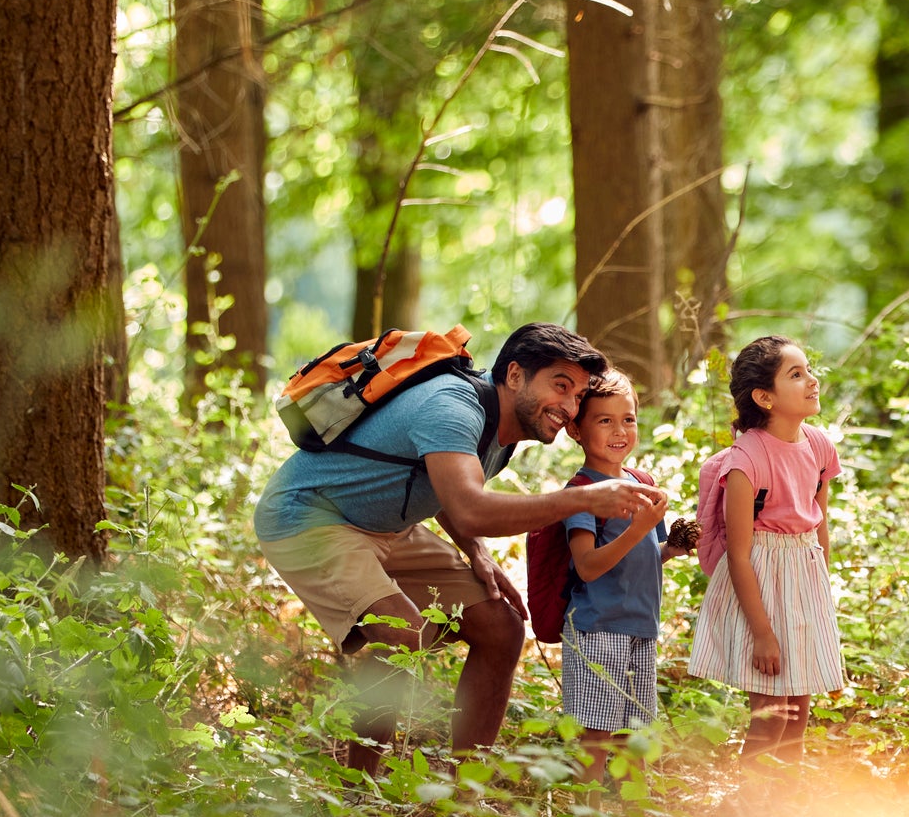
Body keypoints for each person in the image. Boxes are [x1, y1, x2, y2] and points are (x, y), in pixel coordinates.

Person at [254, 322, 668, 772]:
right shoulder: (453, 408)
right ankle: (358, 787)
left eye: (578, 396)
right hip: (309, 517)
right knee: (404, 633)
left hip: (388, 526)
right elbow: (470, 508)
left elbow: (445, 490)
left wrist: (476, 553)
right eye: (560, 387)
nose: (569, 407)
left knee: (502, 628)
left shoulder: (506, 430)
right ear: (514, 376)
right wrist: (582, 498)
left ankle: (465, 789)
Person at [688, 337, 844, 758]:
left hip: (805, 580)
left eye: (808, 369)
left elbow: (819, 523)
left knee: (797, 718)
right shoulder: (746, 461)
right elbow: (739, 555)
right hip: (763, 583)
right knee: (771, 718)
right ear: (764, 397)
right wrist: (762, 634)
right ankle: (751, 816)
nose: (811, 380)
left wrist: (820, 595)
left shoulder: (818, 445)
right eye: (796, 375)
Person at [558, 370, 695, 769]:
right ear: (576, 430)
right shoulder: (582, 492)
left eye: (628, 418)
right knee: (597, 733)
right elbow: (586, 567)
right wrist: (638, 529)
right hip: (598, 627)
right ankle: (590, 811)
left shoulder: (642, 484)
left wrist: (672, 547)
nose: (620, 430)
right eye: (605, 420)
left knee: (633, 731)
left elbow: (647, 552)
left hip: (640, 625)